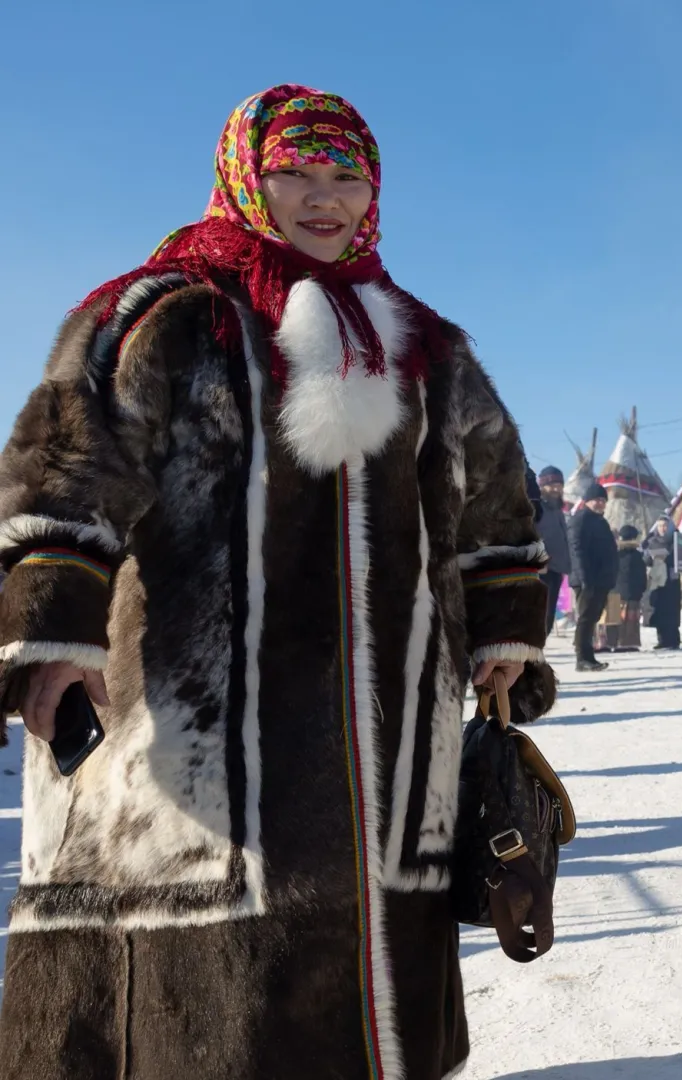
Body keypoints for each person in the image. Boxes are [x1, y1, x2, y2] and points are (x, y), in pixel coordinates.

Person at [0, 85, 555, 1078]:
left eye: (347, 176)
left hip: (392, 741)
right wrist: (52, 633)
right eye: (295, 171)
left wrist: (505, 628)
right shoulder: (163, 315)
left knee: (368, 981)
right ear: (245, 176)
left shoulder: (426, 345)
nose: (324, 198)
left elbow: (496, 499)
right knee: (207, 1002)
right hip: (196, 726)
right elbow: (65, 471)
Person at [569, 482, 618, 671]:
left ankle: (589, 656)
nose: (600, 503)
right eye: (596, 500)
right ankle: (582, 657)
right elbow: (576, 550)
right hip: (588, 579)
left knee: (592, 617)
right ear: (587, 501)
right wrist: (584, 577)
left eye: (603, 500)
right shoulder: (581, 519)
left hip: (601, 579)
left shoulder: (600, 521)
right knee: (586, 617)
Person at [537, 465, 574, 638]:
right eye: (551, 485)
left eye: (559, 484)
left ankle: (538, 653)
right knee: (539, 616)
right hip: (540, 569)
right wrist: (538, 559)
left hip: (557, 568)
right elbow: (529, 535)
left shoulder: (558, 509)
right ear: (542, 486)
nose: (556, 488)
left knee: (548, 616)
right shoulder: (536, 508)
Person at [643, 515, 682, 650]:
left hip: (672, 579)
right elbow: (646, 559)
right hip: (657, 579)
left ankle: (673, 639)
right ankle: (662, 640)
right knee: (659, 609)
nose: (662, 529)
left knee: (671, 609)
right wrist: (651, 556)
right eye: (660, 526)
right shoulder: (652, 541)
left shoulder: (677, 540)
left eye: (665, 526)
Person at [613, 524, 650, 653]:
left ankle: (616, 641)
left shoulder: (616, 554)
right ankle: (629, 642)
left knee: (618, 619)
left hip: (616, 590)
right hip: (633, 592)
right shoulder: (637, 556)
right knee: (631, 621)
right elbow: (642, 575)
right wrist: (643, 588)